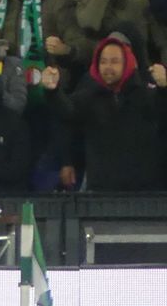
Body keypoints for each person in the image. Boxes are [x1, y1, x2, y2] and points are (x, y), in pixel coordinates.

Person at [41, 36, 167, 192]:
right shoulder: (90, 94)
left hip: (143, 192)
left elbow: (161, 112)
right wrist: (53, 91)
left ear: (127, 63)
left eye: (114, 61)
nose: (108, 67)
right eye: (103, 61)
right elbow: (67, 110)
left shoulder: (144, 93)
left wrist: (163, 89)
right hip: (101, 192)